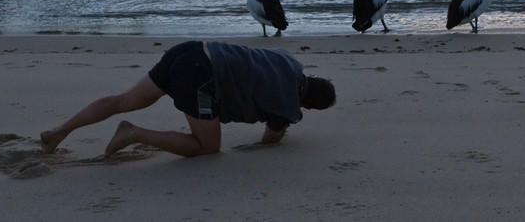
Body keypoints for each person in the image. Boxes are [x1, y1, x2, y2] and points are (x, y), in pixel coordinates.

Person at [40, 40, 336, 158]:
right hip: (201, 77)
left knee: (123, 99)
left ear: (310, 77)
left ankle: (57, 132)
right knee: (208, 147)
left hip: (191, 50)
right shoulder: (286, 109)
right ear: (307, 106)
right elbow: (270, 139)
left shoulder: (288, 61)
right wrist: (284, 126)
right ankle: (133, 133)